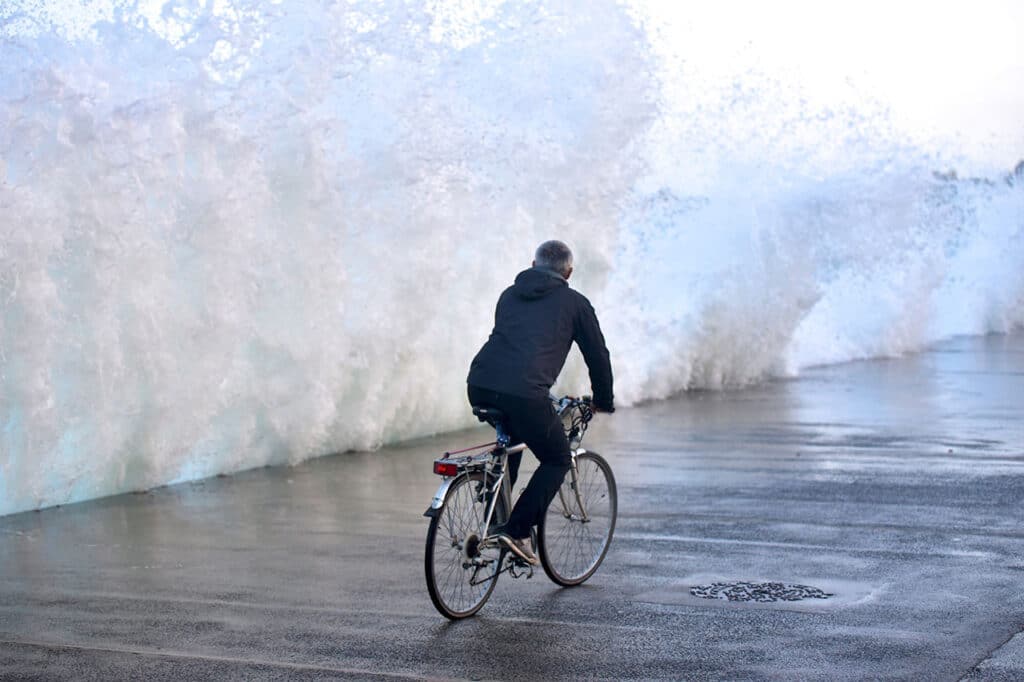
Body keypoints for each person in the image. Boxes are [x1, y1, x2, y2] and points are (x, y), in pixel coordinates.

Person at [467, 240, 614, 565]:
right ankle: (516, 530)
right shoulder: (576, 304)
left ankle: (495, 516)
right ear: (569, 272)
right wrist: (603, 400)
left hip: (479, 383)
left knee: (514, 437)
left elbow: (517, 346)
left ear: (533, 265)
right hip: (524, 394)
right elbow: (597, 356)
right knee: (558, 458)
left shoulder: (509, 294)